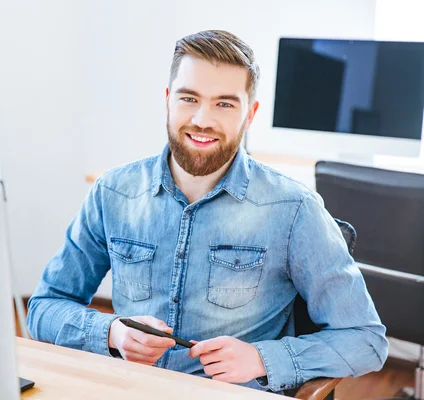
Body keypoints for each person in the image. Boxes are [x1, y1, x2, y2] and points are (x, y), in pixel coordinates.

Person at [27, 29, 388, 392]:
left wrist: (262, 358)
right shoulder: (112, 192)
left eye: (225, 104)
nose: (202, 119)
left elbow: (365, 339)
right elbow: (44, 307)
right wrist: (111, 333)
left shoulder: (294, 209)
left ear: (250, 115)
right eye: (189, 98)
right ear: (168, 100)